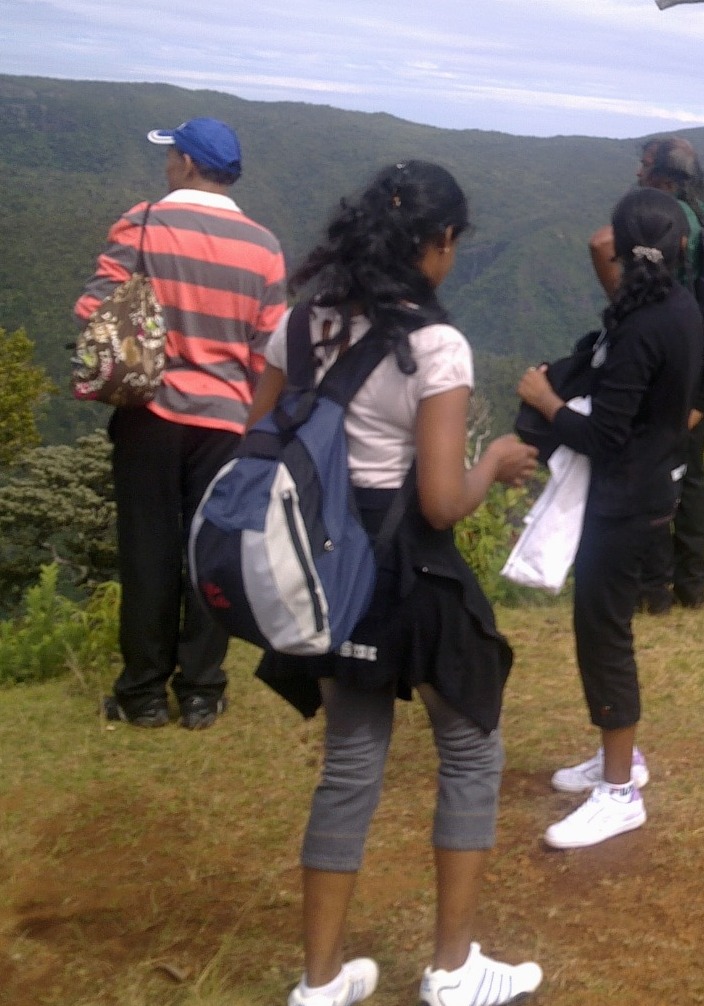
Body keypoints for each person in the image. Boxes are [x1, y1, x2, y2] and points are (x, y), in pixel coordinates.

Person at [250, 161, 542, 1006]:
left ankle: (319, 980)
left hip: (320, 571)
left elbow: (258, 439)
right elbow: (442, 504)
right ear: (437, 244)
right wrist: (494, 459)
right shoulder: (433, 345)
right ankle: (453, 969)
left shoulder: (298, 326)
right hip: (404, 566)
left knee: (349, 761)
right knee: (470, 743)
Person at [520, 186, 704, 849]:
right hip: (642, 488)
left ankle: (619, 791)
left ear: (618, 246)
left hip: (622, 499)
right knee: (602, 630)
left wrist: (543, 399)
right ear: (681, 248)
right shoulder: (674, 307)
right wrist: (683, 422)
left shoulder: (643, 322)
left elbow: (605, 437)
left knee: (604, 637)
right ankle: (617, 759)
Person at [75, 117, 286, 730]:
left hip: (150, 412)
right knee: (208, 552)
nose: (167, 164)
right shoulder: (264, 246)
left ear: (189, 164)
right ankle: (200, 689)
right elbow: (268, 349)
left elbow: (94, 307)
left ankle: (141, 694)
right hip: (226, 422)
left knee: (147, 550)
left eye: (173, 156)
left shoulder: (143, 224)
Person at [589, 137, 704, 612]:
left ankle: (651, 588)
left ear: (666, 177)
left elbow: (598, 243)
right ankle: (691, 586)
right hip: (698, 350)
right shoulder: (702, 214)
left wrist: (624, 304)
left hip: (663, 356)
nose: (638, 174)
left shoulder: (662, 215)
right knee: (690, 474)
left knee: (650, 468)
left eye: (645, 165)